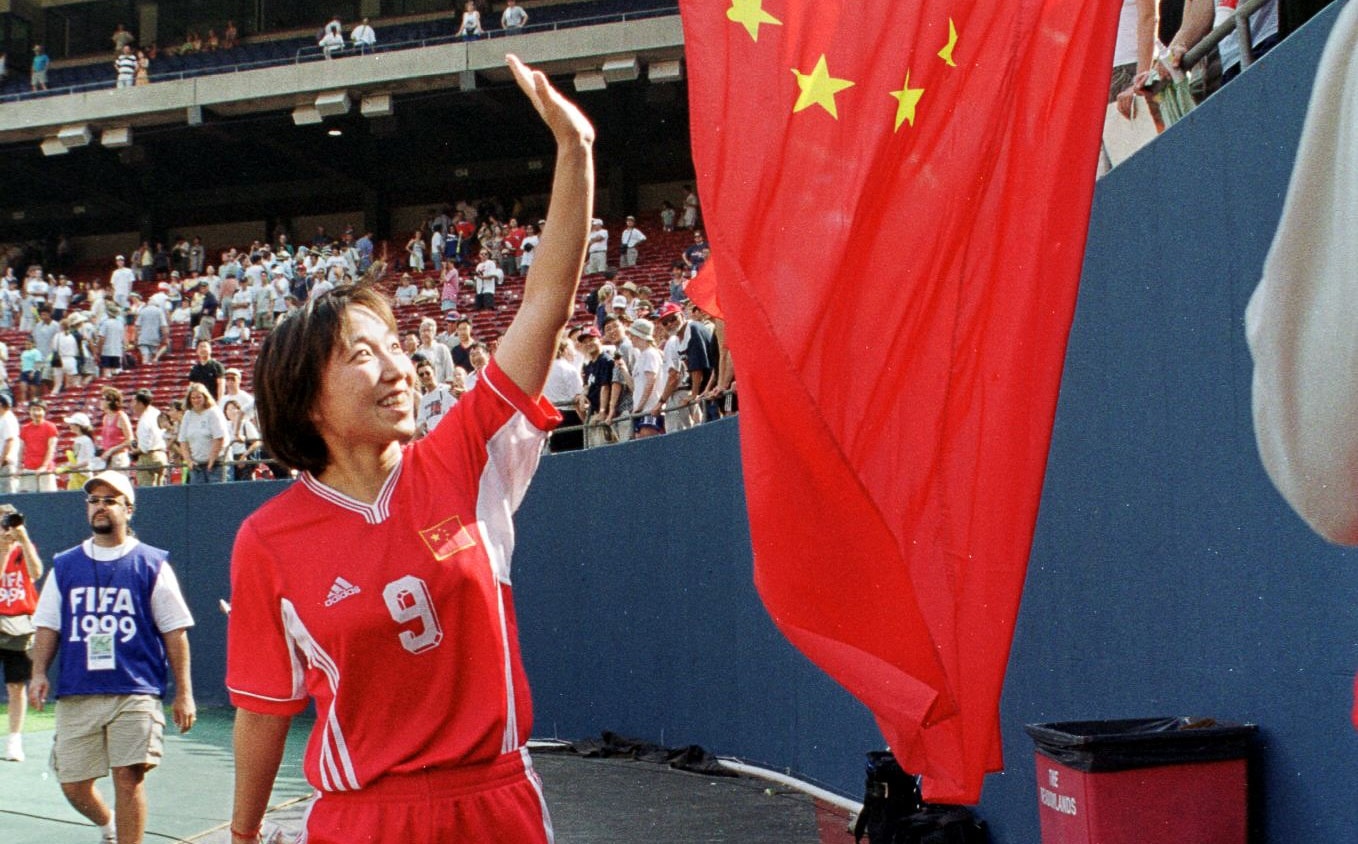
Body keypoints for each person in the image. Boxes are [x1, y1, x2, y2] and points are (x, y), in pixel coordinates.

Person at [226, 53, 592, 844]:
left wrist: (576, 152)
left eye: (396, 346)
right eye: (363, 355)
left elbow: (544, 307)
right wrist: (244, 834)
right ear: (305, 398)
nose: (398, 367)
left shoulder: (463, 457)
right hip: (363, 822)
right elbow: (263, 709)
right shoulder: (267, 541)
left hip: (496, 807)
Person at [28, 471, 196, 844]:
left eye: (110, 500)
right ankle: (108, 824)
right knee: (72, 783)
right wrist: (39, 673)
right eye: (93, 501)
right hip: (78, 690)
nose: (100, 507)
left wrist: (184, 693)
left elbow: (175, 630)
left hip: (135, 688)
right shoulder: (65, 564)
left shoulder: (151, 563)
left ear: (128, 509)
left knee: (129, 776)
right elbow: (48, 625)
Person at [0, 504, 41, 762]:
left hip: (19, 624)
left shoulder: (24, 547)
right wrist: (3, 549)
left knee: (16, 685)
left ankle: (14, 740)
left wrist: (23, 540)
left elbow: (36, 573)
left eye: (8, 523)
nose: (5, 529)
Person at [177, 383, 227, 484]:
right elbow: (183, 440)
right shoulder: (188, 415)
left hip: (215, 463)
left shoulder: (213, 412)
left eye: (199, 397)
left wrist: (211, 460)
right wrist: (189, 461)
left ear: (205, 397)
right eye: (193, 398)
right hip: (196, 465)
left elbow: (219, 438)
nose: (196, 400)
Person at [18, 400, 58, 492]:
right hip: (29, 468)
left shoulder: (50, 427)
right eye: (33, 410)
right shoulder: (25, 428)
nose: (36, 413)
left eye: (39, 410)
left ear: (44, 411)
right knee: (28, 497)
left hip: (46, 470)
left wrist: (44, 466)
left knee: (48, 497)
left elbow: (51, 448)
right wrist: (19, 466)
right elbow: (21, 449)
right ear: (29, 411)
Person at [131, 390, 167, 487]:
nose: (132, 405)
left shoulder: (144, 420)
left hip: (148, 458)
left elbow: (144, 448)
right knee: (161, 489)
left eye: (134, 402)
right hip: (162, 455)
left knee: (147, 491)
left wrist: (133, 451)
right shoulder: (157, 413)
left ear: (140, 403)